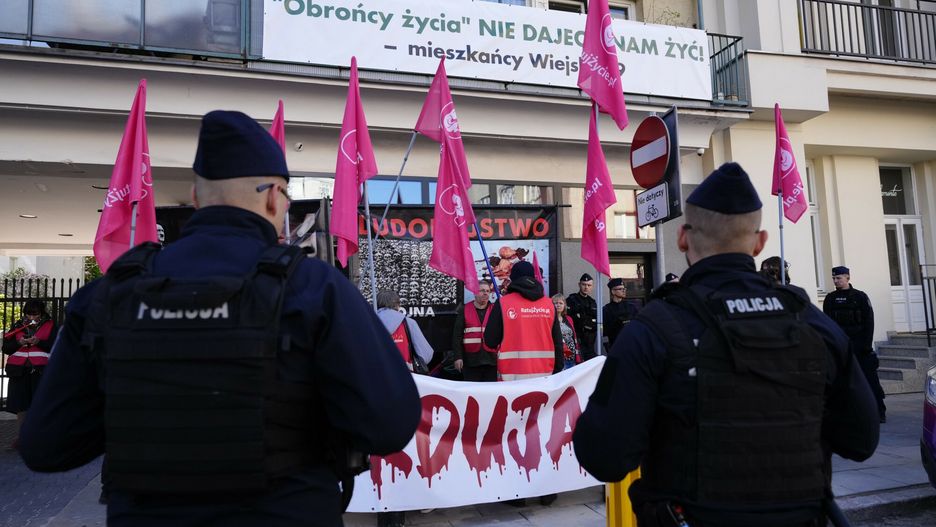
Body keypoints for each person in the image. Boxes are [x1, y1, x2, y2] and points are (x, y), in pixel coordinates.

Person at [18, 110, 421, 527]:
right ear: (272, 198)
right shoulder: (314, 288)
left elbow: (47, 446)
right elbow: (390, 424)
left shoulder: (109, 297)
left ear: (196, 198)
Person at [573, 162, 880, 527]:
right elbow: (861, 440)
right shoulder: (813, 323)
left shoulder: (653, 328)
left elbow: (604, 456)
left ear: (683, 238)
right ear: (759, 242)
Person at [484, 260, 562, 507]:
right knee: (542, 433)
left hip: (511, 382)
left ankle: (518, 494)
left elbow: (489, 341)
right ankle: (547, 491)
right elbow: (558, 346)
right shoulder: (549, 305)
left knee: (513, 436)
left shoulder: (504, 304)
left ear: (513, 279)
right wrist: (557, 373)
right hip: (545, 381)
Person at [824, 265, 886, 423]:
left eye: (839, 278)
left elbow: (869, 321)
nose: (836, 281)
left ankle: (879, 411)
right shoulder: (830, 299)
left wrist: (865, 345)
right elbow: (827, 324)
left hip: (859, 346)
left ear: (847, 277)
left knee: (869, 380)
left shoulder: (859, 296)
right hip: (840, 347)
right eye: (834, 278)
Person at [2, 299, 56, 448]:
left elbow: (56, 346)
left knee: (40, 404)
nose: (32, 318)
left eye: (35, 314)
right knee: (21, 406)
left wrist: (38, 341)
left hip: (41, 371)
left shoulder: (51, 325)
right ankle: (22, 437)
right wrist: (18, 343)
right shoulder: (18, 325)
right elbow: (6, 348)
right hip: (19, 371)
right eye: (29, 314)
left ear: (42, 313)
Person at [377, 290, 434, 374]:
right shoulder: (409, 323)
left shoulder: (368, 322)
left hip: (376, 373)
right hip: (405, 375)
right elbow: (426, 355)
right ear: (397, 304)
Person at [451, 279, 497, 382]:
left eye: (487, 291)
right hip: (470, 361)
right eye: (482, 290)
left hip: (491, 360)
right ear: (475, 293)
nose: (485, 293)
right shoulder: (464, 309)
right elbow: (457, 335)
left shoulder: (495, 310)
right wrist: (458, 357)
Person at [566, 273, 598, 360]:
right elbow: (568, 320)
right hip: (577, 340)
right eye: (584, 284)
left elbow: (597, 321)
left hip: (590, 342)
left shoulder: (592, 302)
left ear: (592, 287)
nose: (586, 287)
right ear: (579, 284)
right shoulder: (572, 300)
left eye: (589, 285)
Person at [602, 278, 639, 351]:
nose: (623, 291)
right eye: (620, 289)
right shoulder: (607, 309)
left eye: (624, 289)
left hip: (632, 346)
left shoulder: (631, 307)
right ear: (613, 291)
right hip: (616, 346)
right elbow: (605, 331)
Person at [552, 294, 581, 370]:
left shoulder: (569, 319)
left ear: (564, 305)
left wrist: (577, 356)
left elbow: (573, 337)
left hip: (571, 357)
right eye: (555, 303)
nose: (558, 305)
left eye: (561, 303)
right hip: (558, 358)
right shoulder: (550, 319)